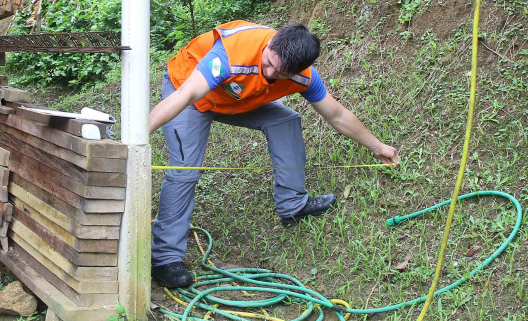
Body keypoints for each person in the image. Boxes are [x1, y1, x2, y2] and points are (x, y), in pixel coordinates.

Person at [148, 21, 399, 288]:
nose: (268, 72)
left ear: (295, 71)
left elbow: (336, 115)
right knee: (186, 168)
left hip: (235, 97)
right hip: (187, 90)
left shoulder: (304, 77)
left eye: (278, 73)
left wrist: (378, 147)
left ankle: (293, 204)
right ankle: (165, 259)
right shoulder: (232, 52)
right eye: (267, 62)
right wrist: (136, 137)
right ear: (271, 42)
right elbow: (187, 94)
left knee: (285, 121)